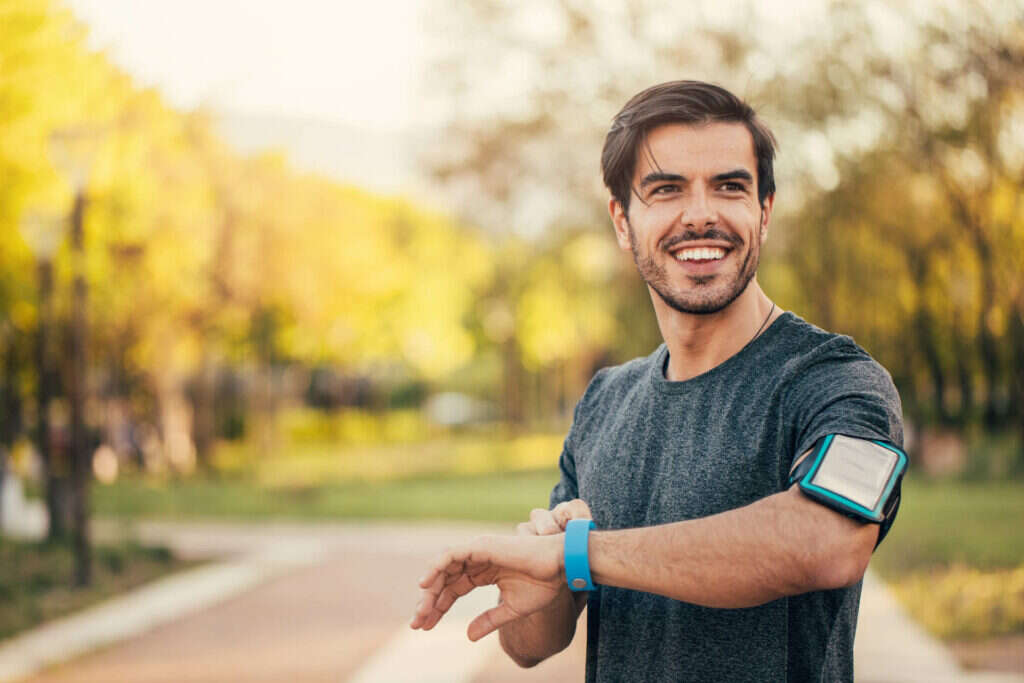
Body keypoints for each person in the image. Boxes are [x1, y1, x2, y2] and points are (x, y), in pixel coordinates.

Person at [409, 80, 904, 682]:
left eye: (729, 186)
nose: (700, 214)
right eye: (667, 190)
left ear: (764, 213)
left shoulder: (833, 380)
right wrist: (537, 585)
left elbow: (829, 540)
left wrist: (580, 554)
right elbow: (534, 641)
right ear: (622, 221)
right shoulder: (604, 401)